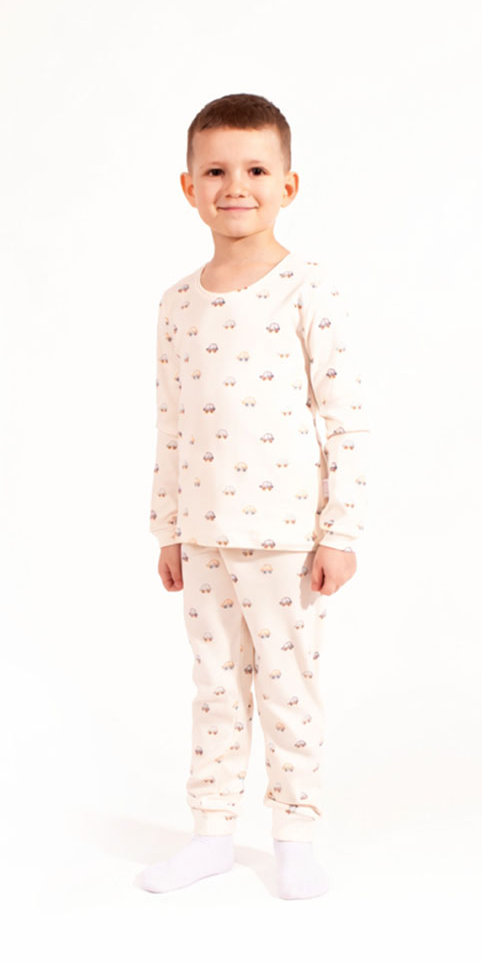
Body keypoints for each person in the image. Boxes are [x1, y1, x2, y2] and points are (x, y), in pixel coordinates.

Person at [135, 93, 370, 900]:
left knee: (287, 687)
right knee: (214, 686)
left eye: (257, 170)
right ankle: (210, 835)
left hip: (286, 536)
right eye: (216, 171)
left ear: (288, 185)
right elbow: (171, 420)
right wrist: (168, 528)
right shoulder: (177, 303)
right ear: (189, 187)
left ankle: (295, 837)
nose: (236, 186)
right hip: (203, 534)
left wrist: (340, 530)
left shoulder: (308, 288)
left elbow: (346, 417)